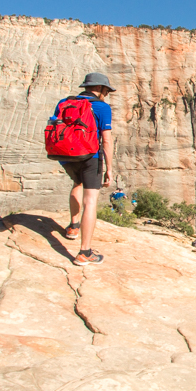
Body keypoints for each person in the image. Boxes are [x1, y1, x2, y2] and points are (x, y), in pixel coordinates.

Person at [58, 72, 115, 266]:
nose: (106, 95)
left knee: (77, 182)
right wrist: (109, 168)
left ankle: (73, 226)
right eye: (106, 91)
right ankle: (85, 252)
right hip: (90, 156)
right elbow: (106, 140)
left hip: (65, 155)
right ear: (99, 89)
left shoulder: (64, 103)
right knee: (90, 201)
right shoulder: (102, 107)